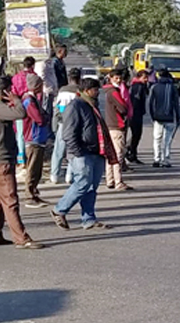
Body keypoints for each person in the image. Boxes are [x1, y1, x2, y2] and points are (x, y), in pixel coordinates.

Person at [0, 76, 43, 249]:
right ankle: (21, 238)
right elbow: (21, 114)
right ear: (5, 92)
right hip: (3, 160)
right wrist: (16, 101)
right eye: (11, 90)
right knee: (10, 200)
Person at [50, 78, 115, 231]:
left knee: (91, 187)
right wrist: (77, 152)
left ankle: (89, 219)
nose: (97, 92)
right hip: (81, 152)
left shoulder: (92, 105)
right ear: (86, 90)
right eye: (94, 89)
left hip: (96, 151)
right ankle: (59, 210)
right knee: (82, 183)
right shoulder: (76, 106)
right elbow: (68, 133)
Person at [22, 74, 51, 208]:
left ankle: (34, 193)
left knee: (37, 169)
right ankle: (29, 195)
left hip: (39, 138)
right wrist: (45, 118)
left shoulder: (34, 99)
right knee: (32, 169)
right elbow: (39, 118)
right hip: (33, 138)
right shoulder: (29, 101)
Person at [103, 69, 132, 191]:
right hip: (117, 125)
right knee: (118, 155)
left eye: (120, 78)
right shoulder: (114, 92)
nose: (118, 80)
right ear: (110, 77)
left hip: (110, 125)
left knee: (111, 154)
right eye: (116, 78)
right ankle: (118, 181)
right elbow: (123, 107)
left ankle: (110, 180)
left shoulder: (108, 91)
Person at [50, 68, 81, 184]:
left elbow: (57, 109)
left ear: (69, 78)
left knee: (58, 149)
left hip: (62, 123)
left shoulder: (62, 90)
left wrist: (54, 125)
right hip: (75, 124)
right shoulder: (79, 91)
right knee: (72, 150)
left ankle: (54, 175)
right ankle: (69, 175)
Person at [149, 70, 180, 168]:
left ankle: (156, 159)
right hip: (169, 117)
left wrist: (152, 116)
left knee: (157, 139)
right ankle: (166, 160)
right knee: (167, 140)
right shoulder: (172, 88)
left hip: (157, 117)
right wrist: (178, 117)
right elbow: (176, 104)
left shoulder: (154, 87)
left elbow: (150, 103)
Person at [13, 57, 37, 167]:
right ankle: (28, 158)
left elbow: (13, 93)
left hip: (19, 107)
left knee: (20, 134)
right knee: (30, 133)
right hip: (31, 107)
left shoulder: (16, 77)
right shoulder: (34, 77)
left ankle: (21, 159)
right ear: (33, 65)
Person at [127, 70, 149, 164]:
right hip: (135, 114)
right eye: (144, 78)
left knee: (136, 135)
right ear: (139, 77)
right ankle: (130, 151)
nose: (146, 80)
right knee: (136, 134)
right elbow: (135, 101)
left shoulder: (136, 85)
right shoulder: (138, 87)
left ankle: (132, 153)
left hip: (136, 113)